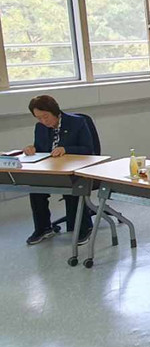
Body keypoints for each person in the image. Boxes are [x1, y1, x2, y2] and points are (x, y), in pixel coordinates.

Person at [23, 95, 95, 245]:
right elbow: (42, 149)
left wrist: (66, 149)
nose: (44, 121)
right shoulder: (40, 127)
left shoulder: (77, 122)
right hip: (52, 170)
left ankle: (84, 228)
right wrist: (32, 149)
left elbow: (88, 149)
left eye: (46, 116)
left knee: (73, 186)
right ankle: (43, 228)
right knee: (35, 187)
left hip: (76, 170)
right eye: (39, 118)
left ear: (54, 111)